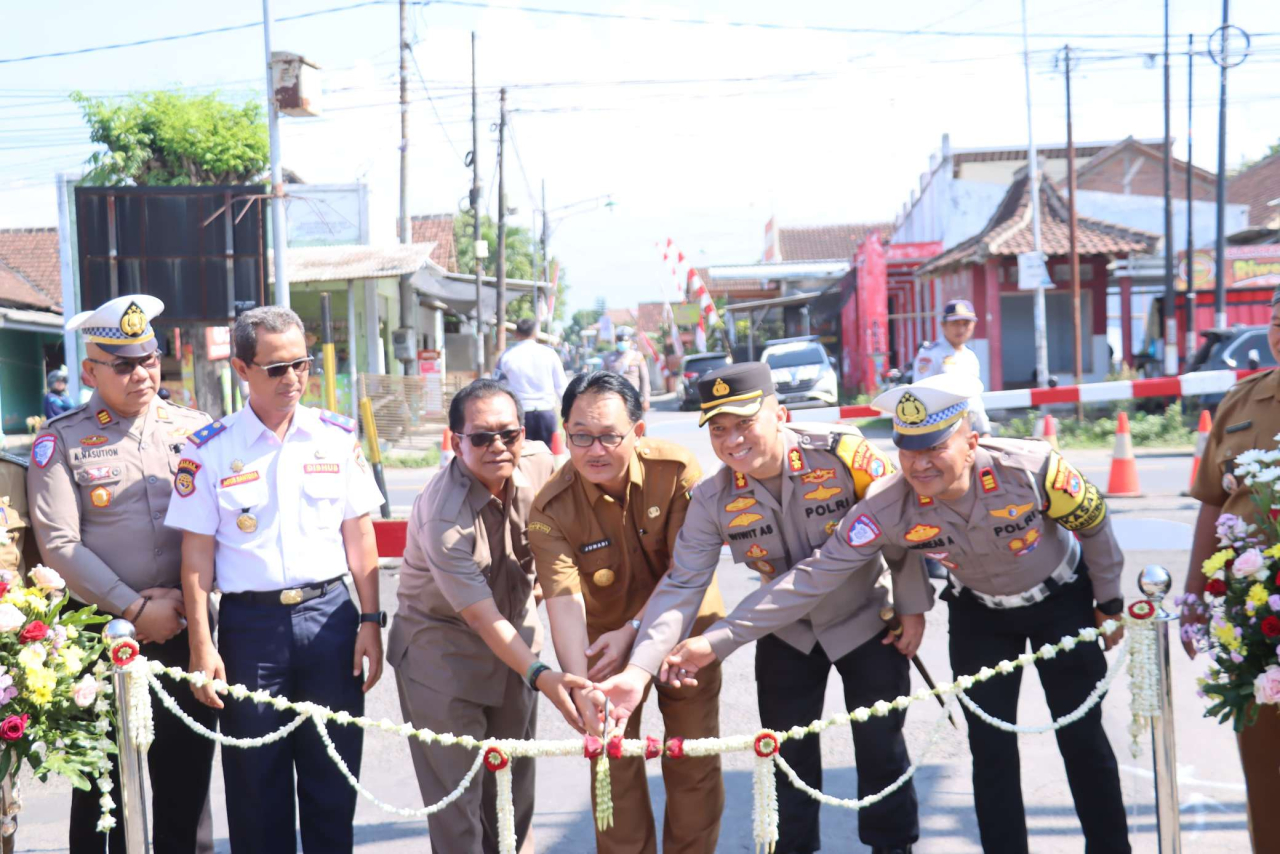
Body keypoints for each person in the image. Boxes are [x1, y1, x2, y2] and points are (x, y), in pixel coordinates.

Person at [656, 373, 1131, 854]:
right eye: (908, 450)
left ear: (971, 440)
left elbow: (1095, 523)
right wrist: (717, 640)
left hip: (1060, 604)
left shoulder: (1032, 467)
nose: (919, 465)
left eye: (935, 448)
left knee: (1083, 739)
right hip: (978, 618)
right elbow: (819, 570)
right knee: (990, 753)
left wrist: (1109, 602)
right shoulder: (887, 503)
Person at [596, 362, 931, 854]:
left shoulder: (844, 453)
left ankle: (893, 847)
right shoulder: (713, 498)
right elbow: (683, 582)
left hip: (866, 619)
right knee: (787, 757)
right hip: (786, 631)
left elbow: (896, 525)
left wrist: (913, 604)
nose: (732, 441)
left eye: (744, 423)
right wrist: (640, 670)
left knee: (881, 746)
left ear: (780, 413)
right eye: (718, 429)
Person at [164, 306, 385, 854]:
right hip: (250, 628)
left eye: (301, 364)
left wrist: (372, 620)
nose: (293, 379)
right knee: (254, 787)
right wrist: (201, 644)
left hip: (330, 619)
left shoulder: (334, 437)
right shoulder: (210, 450)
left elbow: (361, 540)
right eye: (276, 368)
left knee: (333, 780)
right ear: (242, 368)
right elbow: (196, 559)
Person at [27, 295, 216, 854]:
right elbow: (60, 544)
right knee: (103, 792)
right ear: (90, 371)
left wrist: (178, 603)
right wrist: (135, 609)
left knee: (187, 785)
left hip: (188, 629)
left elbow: (224, 526)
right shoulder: (59, 440)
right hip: (103, 639)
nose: (142, 375)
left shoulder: (197, 428)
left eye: (150, 360)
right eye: (124, 365)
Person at [387, 378, 590, 853]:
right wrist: (545, 676)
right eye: (481, 437)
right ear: (455, 442)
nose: (498, 446)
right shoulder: (443, 514)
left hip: (516, 644)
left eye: (509, 434)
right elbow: (481, 617)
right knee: (459, 816)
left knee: (514, 802)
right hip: (442, 656)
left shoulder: (544, 466)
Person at [529, 371, 725, 853]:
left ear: (639, 431)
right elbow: (563, 600)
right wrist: (580, 686)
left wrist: (636, 630)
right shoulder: (549, 508)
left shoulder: (676, 470)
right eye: (580, 436)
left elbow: (688, 572)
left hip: (684, 634)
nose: (594, 450)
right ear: (565, 433)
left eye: (609, 436)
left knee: (693, 763)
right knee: (610, 764)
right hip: (602, 647)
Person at [1181, 288, 1280, 850]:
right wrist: (1194, 597)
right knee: (1263, 767)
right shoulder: (1241, 404)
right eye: (1274, 322)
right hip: (1252, 616)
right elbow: (1212, 502)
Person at [912, 299, 990, 436]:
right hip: (939, 431)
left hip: (968, 429)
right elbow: (921, 397)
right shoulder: (930, 355)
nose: (961, 329)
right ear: (943, 325)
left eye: (966, 324)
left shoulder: (970, 356)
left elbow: (975, 398)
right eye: (955, 323)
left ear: (973, 325)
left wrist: (985, 430)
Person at [494, 317, 569, 446]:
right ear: (535, 333)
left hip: (520, 413)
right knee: (546, 454)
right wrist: (569, 412)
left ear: (516, 334)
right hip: (546, 412)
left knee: (521, 455)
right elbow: (561, 387)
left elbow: (497, 386)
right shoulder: (549, 354)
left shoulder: (506, 356)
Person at [604, 332, 650, 411]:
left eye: (625, 341)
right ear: (616, 342)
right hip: (615, 397)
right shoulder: (609, 357)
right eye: (620, 341)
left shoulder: (637, 356)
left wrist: (646, 399)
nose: (623, 343)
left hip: (633, 396)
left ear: (630, 342)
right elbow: (603, 379)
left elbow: (645, 379)